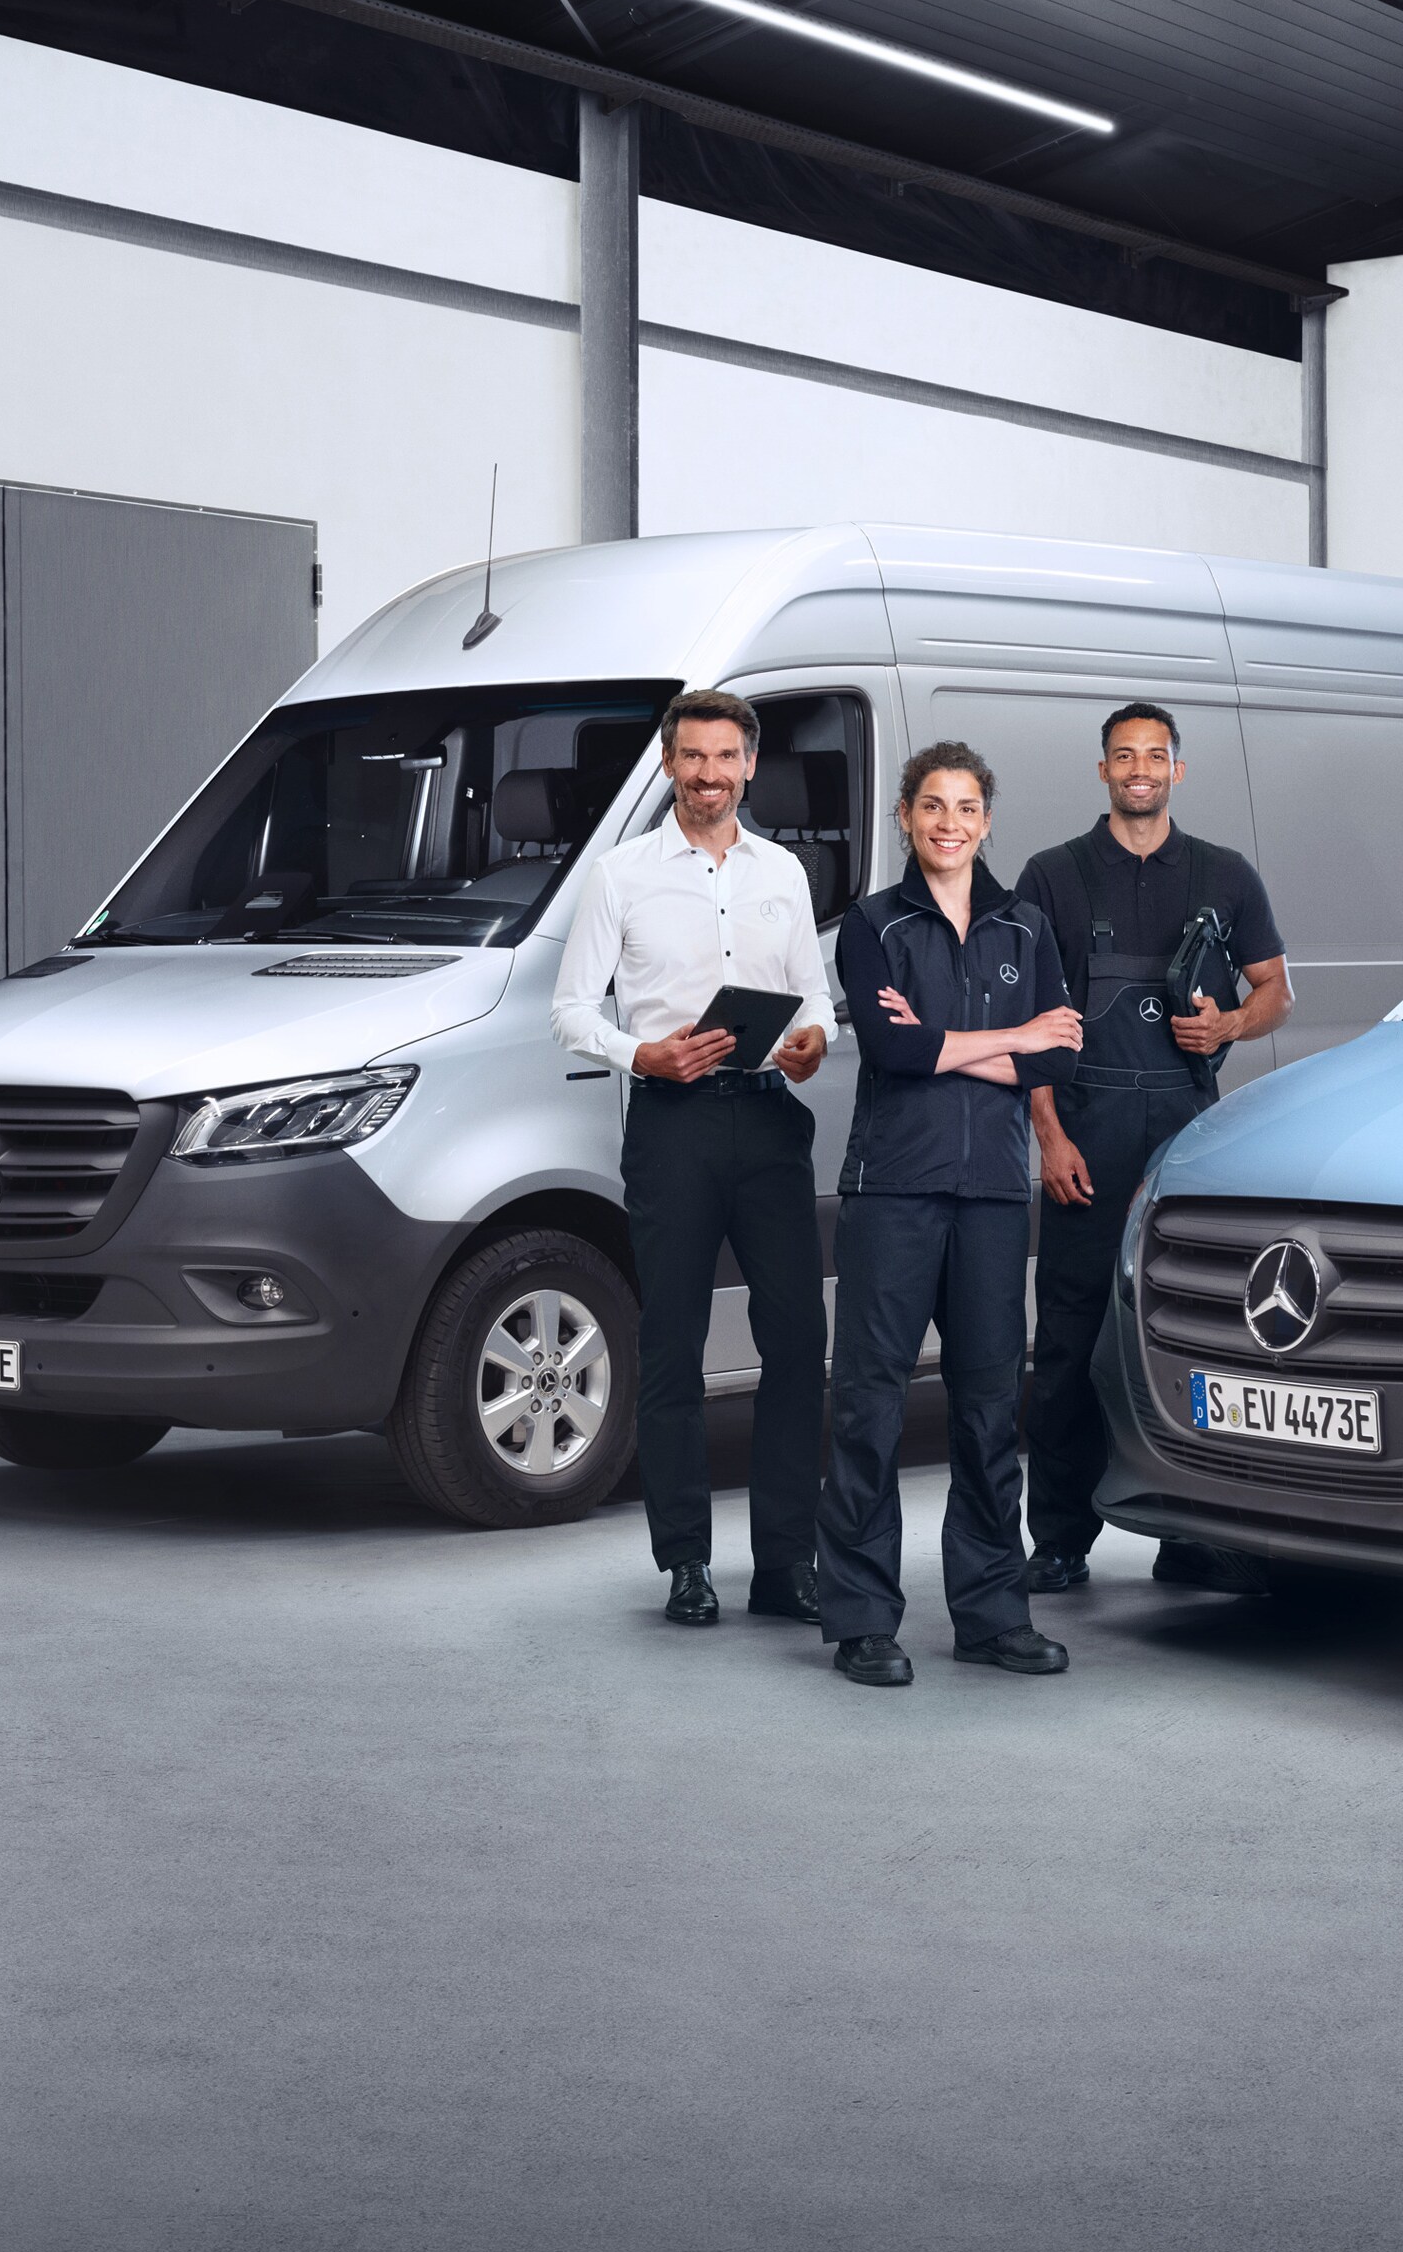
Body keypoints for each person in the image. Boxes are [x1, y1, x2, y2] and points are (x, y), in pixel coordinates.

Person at [552, 688, 838, 1629]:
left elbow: (813, 999)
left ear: (750, 764)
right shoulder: (620, 875)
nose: (709, 774)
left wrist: (809, 1043)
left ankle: (783, 1564)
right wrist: (644, 1054)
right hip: (671, 1125)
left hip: (768, 1125)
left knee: (798, 1343)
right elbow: (569, 1010)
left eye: (725, 757)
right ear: (669, 764)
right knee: (670, 1342)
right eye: (692, 757)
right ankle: (685, 1563)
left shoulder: (782, 872)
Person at [816, 743, 1086, 1687]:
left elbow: (1056, 1061)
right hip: (891, 1189)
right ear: (903, 815)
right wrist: (1009, 1038)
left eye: (965, 808)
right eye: (931, 806)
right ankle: (859, 1616)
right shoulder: (873, 925)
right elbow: (890, 1051)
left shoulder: (1024, 927)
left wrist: (949, 1044)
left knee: (982, 1412)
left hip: (991, 1198)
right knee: (868, 1407)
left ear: (985, 821)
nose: (948, 823)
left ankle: (989, 1613)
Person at [1013, 702, 1293, 1596]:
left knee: (1189, 1341)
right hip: (1085, 1137)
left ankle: (1189, 1531)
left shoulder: (1224, 874)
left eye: (1155, 756)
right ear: (1101, 770)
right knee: (1064, 1343)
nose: (1140, 769)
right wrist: (1049, 1138)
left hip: (1187, 1139)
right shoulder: (1051, 876)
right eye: (1123, 756)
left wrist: (1229, 1026)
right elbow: (1024, 1026)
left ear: (1179, 769)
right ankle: (1058, 1538)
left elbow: (1275, 990)